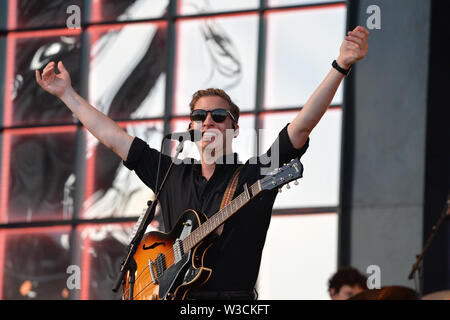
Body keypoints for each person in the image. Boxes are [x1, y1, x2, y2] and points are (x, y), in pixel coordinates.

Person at [36, 26, 369, 300]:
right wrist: (66, 94)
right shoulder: (170, 175)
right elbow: (113, 137)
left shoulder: (253, 175)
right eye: (200, 116)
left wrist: (340, 65)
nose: (209, 121)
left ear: (234, 129)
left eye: (219, 116)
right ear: (191, 127)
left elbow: (301, 127)